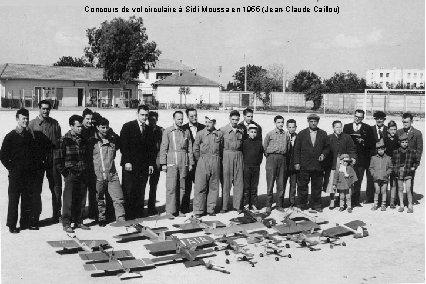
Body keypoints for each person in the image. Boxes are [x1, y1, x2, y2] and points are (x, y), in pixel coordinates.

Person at [0, 108, 38, 233]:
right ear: (17, 119)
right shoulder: (10, 136)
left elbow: (33, 154)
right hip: (16, 175)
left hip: (28, 174)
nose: (26, 121)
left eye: (27, 118)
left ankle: (25, 223)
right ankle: (12, 225)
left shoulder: (29, 136)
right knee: (14, 200)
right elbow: (3, 156)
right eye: (23, 118)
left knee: (27, 199)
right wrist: (11, 168)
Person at [28, 100, 62, 224]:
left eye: (47, 109)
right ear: (39, 109)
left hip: (52, 160)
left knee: (56, 188)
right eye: (43, 108)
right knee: (36, 189)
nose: (45, 111)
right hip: (38, 162)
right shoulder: (32, 125)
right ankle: (35, 217)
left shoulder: (54, 124)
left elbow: (59, 143)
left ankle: (57, 214)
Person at [88, 117, 125, 226]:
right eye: (102, 127)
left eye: (107, 127)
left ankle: (121, 218)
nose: (105, 130)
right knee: (100, 198)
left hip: (112, 173)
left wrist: (112, 133)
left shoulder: (113, 138)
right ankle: (101, 218)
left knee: (118, 197)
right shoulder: (92, 141)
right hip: (99, 174)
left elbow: (122, 144)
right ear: (97, 127)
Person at [55, 115, 89, 233]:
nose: (80, 129)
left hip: (82, 172)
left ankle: (79, 221)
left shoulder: (83, 140)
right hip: (71, 173)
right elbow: (58, 159)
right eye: (78, 126)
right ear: (71, 126)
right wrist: (65, 173)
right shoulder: (63, 140)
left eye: (81, 126)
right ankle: (66, 223)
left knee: (81, 198)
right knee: (68, 199)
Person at [120, 105, 154, 219]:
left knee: (140, 189)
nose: (144, 117)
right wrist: (127, 161)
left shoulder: (149, 129)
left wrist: (150, 164)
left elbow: (151, 149)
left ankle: (139, 213)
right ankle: (129, 215)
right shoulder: (128, 127)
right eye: (142, 115)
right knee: (129, 190)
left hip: (143, 166)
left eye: (146, 115)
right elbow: (124, 146)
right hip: (130, 165)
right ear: (137, 114)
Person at [160, 111, 194, 219]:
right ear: (174, 119)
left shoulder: (186, 132)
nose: (180, 121)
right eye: (178, 119)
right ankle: (170, 211)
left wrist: (190, 163)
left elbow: (190, 149)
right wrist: (163, 163)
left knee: (182, 187)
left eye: (181, 119)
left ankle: (178, 209)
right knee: (171, 187)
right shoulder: (168, 131)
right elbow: (163, 148)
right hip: (171, 161)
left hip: (183, 162)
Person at [294, 114, 329, 212]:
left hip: (318, 165)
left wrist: (323, 154)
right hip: (304, 165)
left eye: (315, 121)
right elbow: (296, 149)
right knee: (302, 186)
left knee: (317, 186)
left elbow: (327, 147)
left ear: (318, 122)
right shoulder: (301, 134)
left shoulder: (323, 133)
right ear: (308, 122)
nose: (313, 123)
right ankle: (302, 204)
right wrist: (297, 162)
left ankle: (316, 204)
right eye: (311, 121)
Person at [192, 115, 223, 217]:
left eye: (209, 122)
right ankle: (198, 210)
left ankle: (211, 209)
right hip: (203, 160)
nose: (207, 124)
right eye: (206, 122)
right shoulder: (200, 134)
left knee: (213, 186)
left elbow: (221, 148)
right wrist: (200, 160)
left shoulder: (219, 134)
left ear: (214, 122)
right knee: (200, 186)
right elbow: (195, 149)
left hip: (215, 160)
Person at [343, 109, 375, 207]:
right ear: (354, 115)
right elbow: (344, 141)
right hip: (350, 157)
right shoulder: (347, 127)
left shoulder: (367, 128)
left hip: (362, 158)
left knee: (358, 179)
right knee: (347, 178)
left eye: (360, 117)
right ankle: (345, 199)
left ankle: (355, 201)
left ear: (363, 118)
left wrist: (363, 142)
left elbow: (372, 143)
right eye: (356, 116)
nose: (357, 119)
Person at [324, 120, 356, 210]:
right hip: (333, 163)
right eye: (337, 127)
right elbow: (326, 150)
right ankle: (332, 200)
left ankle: (345, 202)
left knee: (344, 182)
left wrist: (352, 158)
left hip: (344, 163)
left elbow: (352, 149)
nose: (339, 129)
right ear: (333, 128)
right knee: (332, 182)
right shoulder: (329, 137)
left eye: (340, 127)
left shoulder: (347, 137)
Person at [220, 110, 244, 213]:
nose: (235, 121)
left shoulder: (241, 130)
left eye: (237, 119)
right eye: (233, 119)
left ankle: (237, 205)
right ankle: (224, 206)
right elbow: (219, 146)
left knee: (239, 181)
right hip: (227, 155)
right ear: (229, 118)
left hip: (238, 155)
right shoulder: (223, 130)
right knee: (226, 182)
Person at [182, 108, 205, 213]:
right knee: (187, 186)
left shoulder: (203, 128)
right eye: (191, 116)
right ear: (187, 117)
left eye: (195, 115)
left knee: (200, 186)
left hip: (201, 162)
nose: (194, 118)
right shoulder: (183, 128)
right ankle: (185, 207)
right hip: (188, 162)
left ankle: (200, 208)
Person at [263, 115, 288, 213]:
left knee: (281, 182)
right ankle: (268, 204)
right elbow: (265, 147)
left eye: (282, 122)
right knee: (270, 182)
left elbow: (288, 148)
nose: (280, 124)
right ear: (275, 123)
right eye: (278, 122)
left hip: (282, 158)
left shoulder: (286, 135)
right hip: (272, 158)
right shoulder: (270, 134)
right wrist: (270, 156)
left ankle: (279, 204)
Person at [396, 112, 423, 198]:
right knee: (399, 182)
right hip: (400, 162)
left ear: (411, 122)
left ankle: (409, 200)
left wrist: (416, 164)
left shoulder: (417, 133)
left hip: (411, 162)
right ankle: (398, 200)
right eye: (403, 122)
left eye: (407, 122)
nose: (405, 124)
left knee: (410, 182)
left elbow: (419, 150)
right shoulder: (398, 132)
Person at [392, 133, 419, 213]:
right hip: (399, 171)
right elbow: (393, 162)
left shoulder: (412, 151)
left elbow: (416, 161)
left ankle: (410, 205)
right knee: (400, 188)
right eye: (403, 142)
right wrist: (394, 168)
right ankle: (401, 205)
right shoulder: (396, 152)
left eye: (406, 142)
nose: (404, 144)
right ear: (400, 143)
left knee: (408, 189)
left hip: (408, 171)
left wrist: (414, 167)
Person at [366, 111, 388, 205]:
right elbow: (367, 144)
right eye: (377, 119)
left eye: (381, 119)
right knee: (371, 177)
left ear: (384, 120)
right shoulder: (370, 129)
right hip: (373, 157)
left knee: (384, 177)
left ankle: (382, 198)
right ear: (375, 119)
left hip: (384, 158)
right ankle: (370, 197)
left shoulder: (387, 129)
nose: (379, 120)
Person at [81, 108, 97, 220]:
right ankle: (80, 214)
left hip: (92, 164)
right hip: (82, 164)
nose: (89, 121)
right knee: (81, 191)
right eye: (87, 119)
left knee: (93, 190)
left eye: (91, 119)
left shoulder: (94, 130)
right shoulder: (79, 129)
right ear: (83, 119)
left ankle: (93, 212)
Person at [242, 124, 263, 210]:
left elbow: (261, 155)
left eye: (255, 132)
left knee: (254, 186)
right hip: (247, 167)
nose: (253, 134)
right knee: (246, 187)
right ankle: (246, 204)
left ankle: (254, 203)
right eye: (251, 132)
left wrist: (257, 163)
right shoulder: (245, 142)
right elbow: (242, 154)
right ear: (248, 132)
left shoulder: (258, 143)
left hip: (256, 167)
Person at [147, 111, 164, 215]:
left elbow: (162, 147)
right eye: (151, 119)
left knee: (153, 186)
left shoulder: (161, 130)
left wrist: (160, 163)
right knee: (141, 186)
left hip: (156, 162)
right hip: (145, 162)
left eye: (154, 119)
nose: (153, 121)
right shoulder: (144, 129)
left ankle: (151, 207)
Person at [369, 140, 392, 211]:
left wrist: (387, 174)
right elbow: (371, 167)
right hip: (376, 177)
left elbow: (390, 167)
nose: (381, 151)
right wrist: (373, 174)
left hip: (384, 177)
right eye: (379, 149)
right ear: (377, 150)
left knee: (384, 191)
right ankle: (375, 204)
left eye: (382, 149)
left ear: (385, 149)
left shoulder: (388, 158)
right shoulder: (373, 158)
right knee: (377, 190)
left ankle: (383, 204)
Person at [384, 120, 399, 208]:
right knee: (385, 183)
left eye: (395, 129)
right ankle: (384, 201)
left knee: (393, 183)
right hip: (386, 164)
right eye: (391, 129)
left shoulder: (398, 139)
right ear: (388, 130)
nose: (393, 131)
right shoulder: (385, 139)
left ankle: (392, 201)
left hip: (395, 164)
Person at [284, 119, 298, 208]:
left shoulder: (299, 136)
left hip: (294, 165)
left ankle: (291, 202)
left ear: (296, 127)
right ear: (287, 127)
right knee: (282, 184)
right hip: (284, 164)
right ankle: (280, 202)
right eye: (290, 127)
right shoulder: (284, 136)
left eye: (293, 127)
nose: (291, 129)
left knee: (293, 185)